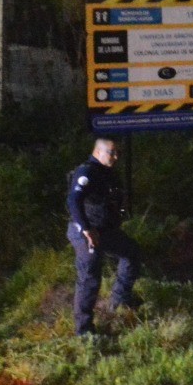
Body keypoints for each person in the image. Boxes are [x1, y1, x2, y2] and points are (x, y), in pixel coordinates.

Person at [66, 138, 140, 337]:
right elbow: (74, 200)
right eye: (112, 153)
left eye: (118, 154)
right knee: (89, 277)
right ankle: (84, 331)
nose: (116, 157)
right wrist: (85, 229)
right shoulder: (87, 171)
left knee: (131, 253)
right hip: (86, 232)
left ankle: (120, 299)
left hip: (105, 230)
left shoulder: (106, 173)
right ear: (98, 152)